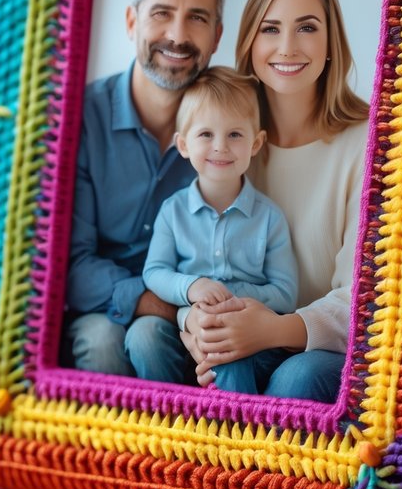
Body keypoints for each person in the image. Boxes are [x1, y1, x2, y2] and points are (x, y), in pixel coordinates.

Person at [182, 0, 370, 402]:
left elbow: (367, 297)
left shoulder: (369, 143)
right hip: (240, 336)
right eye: (270, 29)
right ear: (249, 42)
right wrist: (196, 326)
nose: (287, 47)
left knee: (296, 379)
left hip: (324, 348)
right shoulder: (225, 139)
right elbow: (190, 251)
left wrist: (275, 330)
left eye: (306, 28)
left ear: (330, 45)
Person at [64, 0, 224, 375]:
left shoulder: (229, 128)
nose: (177, 34)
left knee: (149, 337)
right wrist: (154, 303)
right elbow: (69, 261)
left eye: (197, 18)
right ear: (132, 21)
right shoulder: (79, 117)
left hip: (188, 313)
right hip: (101, 307)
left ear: (217, 36)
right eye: (162, 13)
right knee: (102, 340)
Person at [125, 67, 298, 386]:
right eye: (206, 134)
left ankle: (231, 432)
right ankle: (165, 422)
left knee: (230, 358)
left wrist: (230, 300)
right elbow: (154, 272)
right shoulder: (173, 211)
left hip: (249, 335)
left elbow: (286, 294)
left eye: (235, 134)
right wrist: (193, 288)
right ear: (184, 144)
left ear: (256, 143)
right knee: (143, 337)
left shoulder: (269, 217)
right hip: (186, 326)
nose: (221, 146)